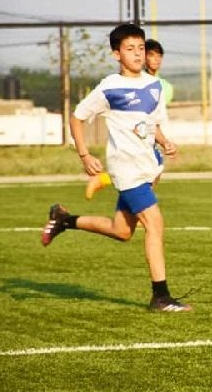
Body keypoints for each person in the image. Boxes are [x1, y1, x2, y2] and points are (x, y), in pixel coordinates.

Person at [41, 23, 191, 312]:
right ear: (116, 54)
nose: (137, 53)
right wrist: (85, 155)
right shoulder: (109, 87)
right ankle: (160, 297)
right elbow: (77, 118)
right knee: (155, 224)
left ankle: (64, 219)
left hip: (148, 167)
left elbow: (151, 123)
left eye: (141, 48)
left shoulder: (155, 85)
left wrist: (165, 142)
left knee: (121, 230)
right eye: (130, 48)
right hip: (127, 169)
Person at [85, 38, 174, 199]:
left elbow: (155, 117)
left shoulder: (162, 85)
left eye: (159, 55)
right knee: (146, 175)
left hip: (150, 138)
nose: (156, 59)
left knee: (151, 175)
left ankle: (134, 206)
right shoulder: (134, 84)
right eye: (151, 55)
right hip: (138, 139)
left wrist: (163, 140)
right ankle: (104, 180)